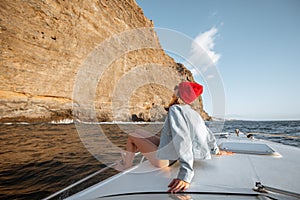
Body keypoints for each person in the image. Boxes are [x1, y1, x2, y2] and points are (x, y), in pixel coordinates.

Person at [115, 81, 232, 193]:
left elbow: (182, 138)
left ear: (179, 94)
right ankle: (128, 159)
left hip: (166, 160)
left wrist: (185, 174)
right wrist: (216, 150)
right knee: (138, 131)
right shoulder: (193, 113)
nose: (173, 91)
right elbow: (208, 134)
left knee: (132, 136)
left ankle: (127, 165)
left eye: (176, 89)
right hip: (172, 153)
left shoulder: (175, 109)